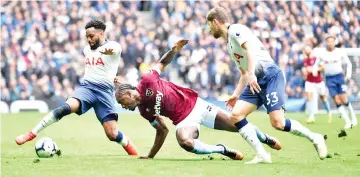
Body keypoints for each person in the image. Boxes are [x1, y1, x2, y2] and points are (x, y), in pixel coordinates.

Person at [114, 39, 281, 160]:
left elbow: (162, 63)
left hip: (197, 106)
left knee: (237, 125)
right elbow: (162, 130)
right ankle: (221, 150)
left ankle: (264, 138)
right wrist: (151, 155)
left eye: (122, 102)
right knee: (184, 141)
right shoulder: (144, 111)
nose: (124, 106)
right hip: (184, 121)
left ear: (129, 94)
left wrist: (173, 50)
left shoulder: (147, 80)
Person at [206, 6, 328, 164]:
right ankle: (262, 154)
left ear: (215, 22)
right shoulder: (230, 44)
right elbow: (244, 74)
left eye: (209, 25)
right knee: (236, 115)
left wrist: (250, 74)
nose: (208, 30)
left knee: (278, 122)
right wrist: (236, 94)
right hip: (255, 80)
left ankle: (315, 137)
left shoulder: (236, 29)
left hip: (270, 75)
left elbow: (250, 51)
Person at [15, 19, 138, 155]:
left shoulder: (114, 47)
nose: (89, 40)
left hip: (105, 93)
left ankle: (134, 153)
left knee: (112, 134)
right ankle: (32, 133)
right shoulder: (87, 49)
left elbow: (107, 52)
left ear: (101, 33)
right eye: (87, 37)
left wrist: (109, 72)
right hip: (87, 88)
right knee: (65, 108)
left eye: (91, 36)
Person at [313, 35, 357, 129]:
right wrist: (315, 70)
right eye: (328, 41)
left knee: (344, 99)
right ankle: (347, 121)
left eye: (332, 41)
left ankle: (353, 117)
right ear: (326, 42)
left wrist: (348, 76)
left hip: (339, 77)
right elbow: (316, 65)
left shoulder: (339, 52)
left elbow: (348, 64)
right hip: (329, 78)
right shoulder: (322, 54)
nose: (330, 43)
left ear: (335, 42)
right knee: (336, 100)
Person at [302, 45, 332, 123]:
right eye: (306, 50)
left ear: (311, 50)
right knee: (308, 98)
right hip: (309, 81)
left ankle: (329, 113)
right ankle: (311, 116)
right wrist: (305, 72)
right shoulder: (305, 60)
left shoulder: (316, 59)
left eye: (308, 50)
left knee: (323, 98)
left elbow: (323, 67)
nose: (307, 51)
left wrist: (316, 69)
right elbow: (306, 70)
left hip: (318, 82)